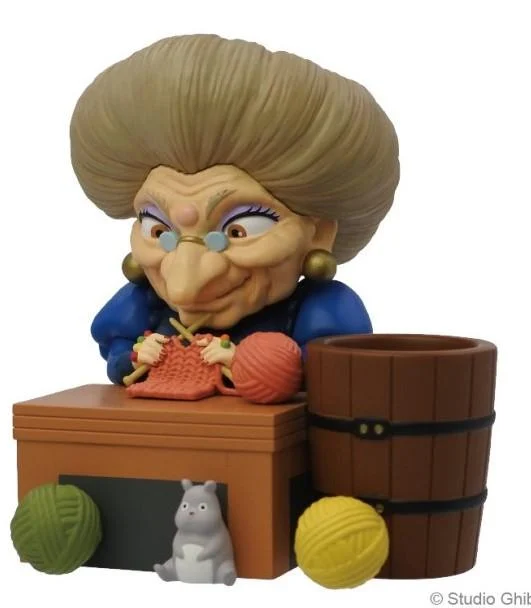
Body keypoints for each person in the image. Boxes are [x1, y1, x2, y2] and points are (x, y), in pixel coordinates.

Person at [70, 34, 400, 387]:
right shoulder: (144, 303)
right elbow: (118, 358)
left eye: (236, 232)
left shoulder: (317, 311)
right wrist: (135, 356)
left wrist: (253, 365)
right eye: (160, 232)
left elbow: (332, 377)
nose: (184, 289)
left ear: (317, 234)